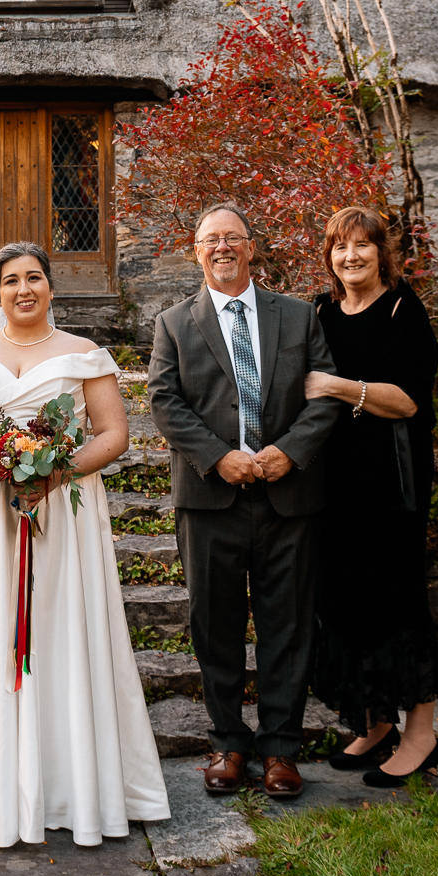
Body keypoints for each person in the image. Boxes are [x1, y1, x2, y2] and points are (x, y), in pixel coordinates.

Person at [0, 243, 171, 846]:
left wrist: (54, 472)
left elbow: (114, 434)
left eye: (34, 278)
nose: (23, 290)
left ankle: (68, 785)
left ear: (52, 286)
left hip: (63, 521)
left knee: (59, 634)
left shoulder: (85, 355)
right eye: (10, 281)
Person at [147, 204, 340, 800]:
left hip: (288, 496)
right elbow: (164, 398)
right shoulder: (174, 322)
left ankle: (281, 749)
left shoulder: (301, 316)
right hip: (210, 498)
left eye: (232, 238)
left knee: (288, 626)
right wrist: (217, 455)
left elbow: (326, 391)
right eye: (211, 240)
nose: (222, 247)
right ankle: (228, 742)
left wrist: (290, 450)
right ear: (196, 250)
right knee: (216, 624)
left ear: (251, 248)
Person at [303, 207, 438, 788]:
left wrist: (339, 386)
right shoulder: (320, 310)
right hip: (333, 483)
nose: (351, 257)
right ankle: (375, 723)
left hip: (391, 486)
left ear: (382, 253)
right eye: (341, 247)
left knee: (398, 602)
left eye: (363, 246)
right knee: (345, 602)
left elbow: (408, 401)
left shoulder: (402, 311)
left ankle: (422, 735)